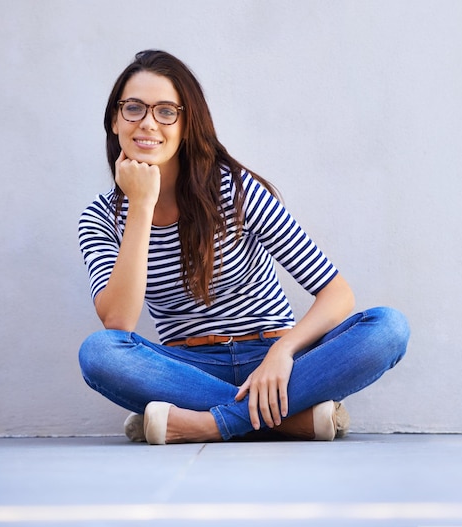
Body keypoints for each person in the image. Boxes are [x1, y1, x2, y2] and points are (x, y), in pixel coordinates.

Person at [78, 50, 410, 445]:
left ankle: (207, 424)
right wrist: (141, 206)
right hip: (188, 368)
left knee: (388, 328)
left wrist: (282, 353)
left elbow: (336, 293)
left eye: (166, 111)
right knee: (99, 353)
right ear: (115, 120)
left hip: (273, 358)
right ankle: (287, 421)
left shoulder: (235, 191)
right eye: (134, 108)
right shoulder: (99, 217)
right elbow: (118, 323)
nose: (148, 122)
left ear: (186, 124)